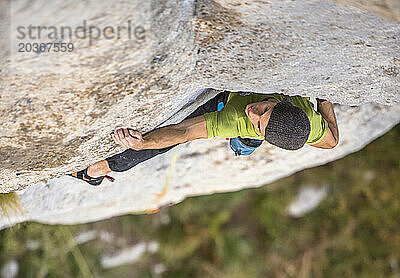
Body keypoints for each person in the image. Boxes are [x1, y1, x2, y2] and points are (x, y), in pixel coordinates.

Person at [70, 91, 339, 185]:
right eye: (264, 109)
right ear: (283, 102)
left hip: (226, 102)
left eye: (259, 123)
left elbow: (184, 132)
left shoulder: (237, 119)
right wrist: (324, 97)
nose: (252, 112)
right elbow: (332, 141)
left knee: (242, 142)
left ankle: (97, 170)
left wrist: (143, 142)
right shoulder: (309, 120)